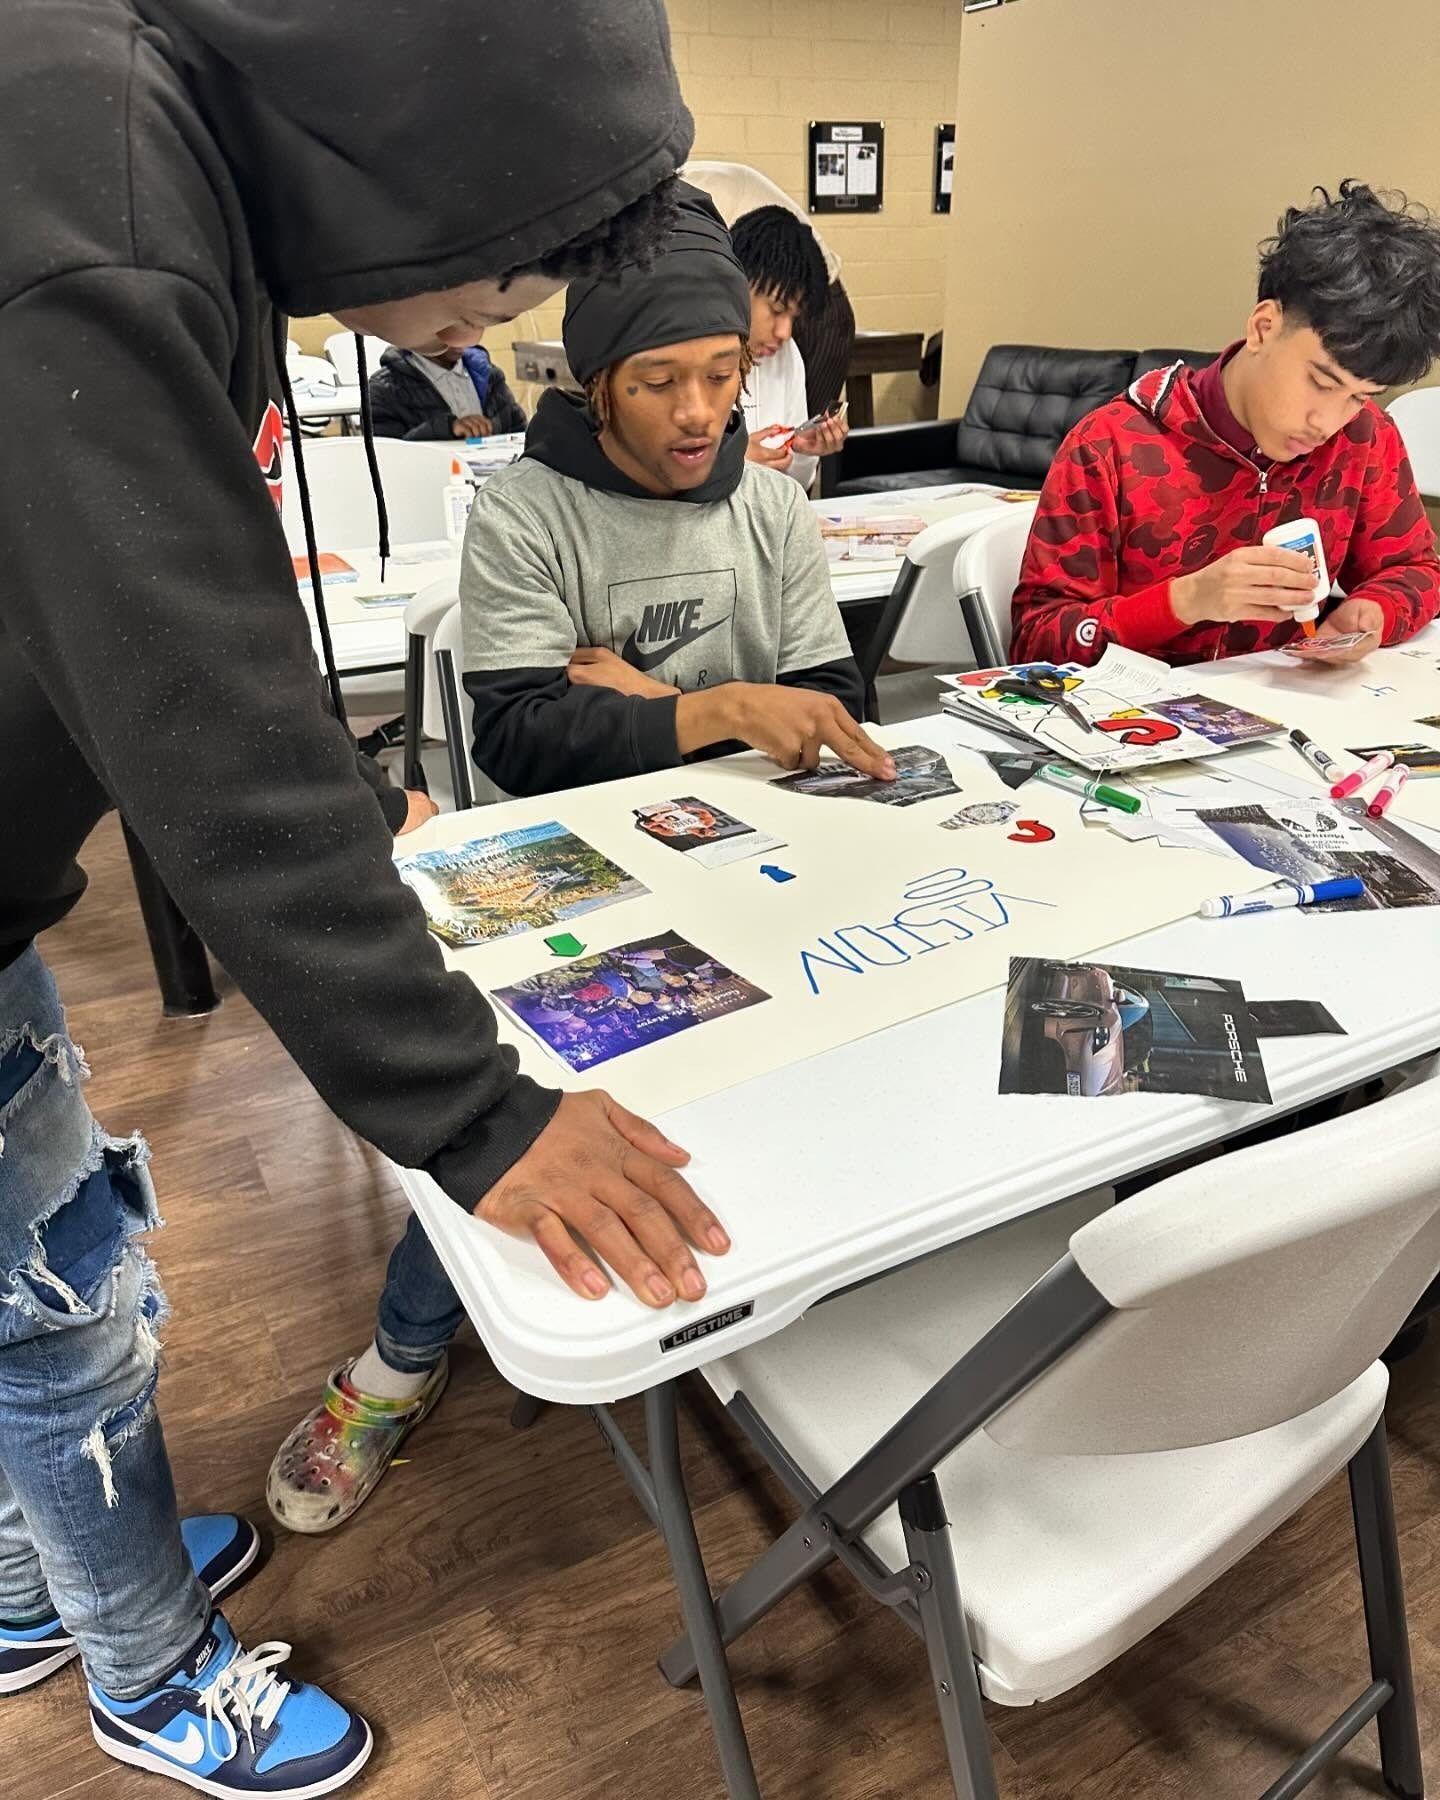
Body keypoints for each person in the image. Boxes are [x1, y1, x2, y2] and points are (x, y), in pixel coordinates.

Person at [1, 2, 728, 1792]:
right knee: (63, 1297)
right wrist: (471, 1113)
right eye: (491, 298)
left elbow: (198, 610)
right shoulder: (97, 209)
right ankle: (146, 1670)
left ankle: (37, 1582)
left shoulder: (155, 135)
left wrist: (339, 799)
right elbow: (200, 721)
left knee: (26, 1278)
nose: (479, 335)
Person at [264, 190, 892, 1544]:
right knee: (539, 1122)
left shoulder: (774, 509)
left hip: (759, 866)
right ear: (594, 379)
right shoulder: (528, 513)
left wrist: (640, 698)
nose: (698, 413)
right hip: (570, 884)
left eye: (722, 377)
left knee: (783, 1080)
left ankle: (772, 1310)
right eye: (660, 381)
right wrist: (719, 708)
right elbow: (533, 740)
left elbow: (837, 705)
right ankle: (400, 1357)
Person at [1010, 182, 1440, 668]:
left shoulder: (1364, 437)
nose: (1327, 421)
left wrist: (1373, 611)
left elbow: (1414, 569)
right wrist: (1183, 602)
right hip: (1137, 725)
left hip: (1294, 717)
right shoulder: (1110, 446)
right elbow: (1036, 640)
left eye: (1359, 396)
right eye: (1321, 382)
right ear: (1263, 326)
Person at [683, 159, 856, 418]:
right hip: (764, 288)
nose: (785, 333)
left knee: (812, 423)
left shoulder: (667, 199)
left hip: (811, 292)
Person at [729, 205, 850, 490]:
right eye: (777, 309)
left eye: (794, 316)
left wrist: (804, 451)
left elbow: (795, 487)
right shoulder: (691, 353)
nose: (784, 332)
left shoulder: (785, 356)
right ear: (736, 283)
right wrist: (730, 463)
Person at [367, 338, 527, 441]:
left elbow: (519, 432)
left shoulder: (489, 374)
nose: (460, 336)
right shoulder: (384, 389)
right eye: (445, 327)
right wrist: (445, 429)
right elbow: (386, 456)